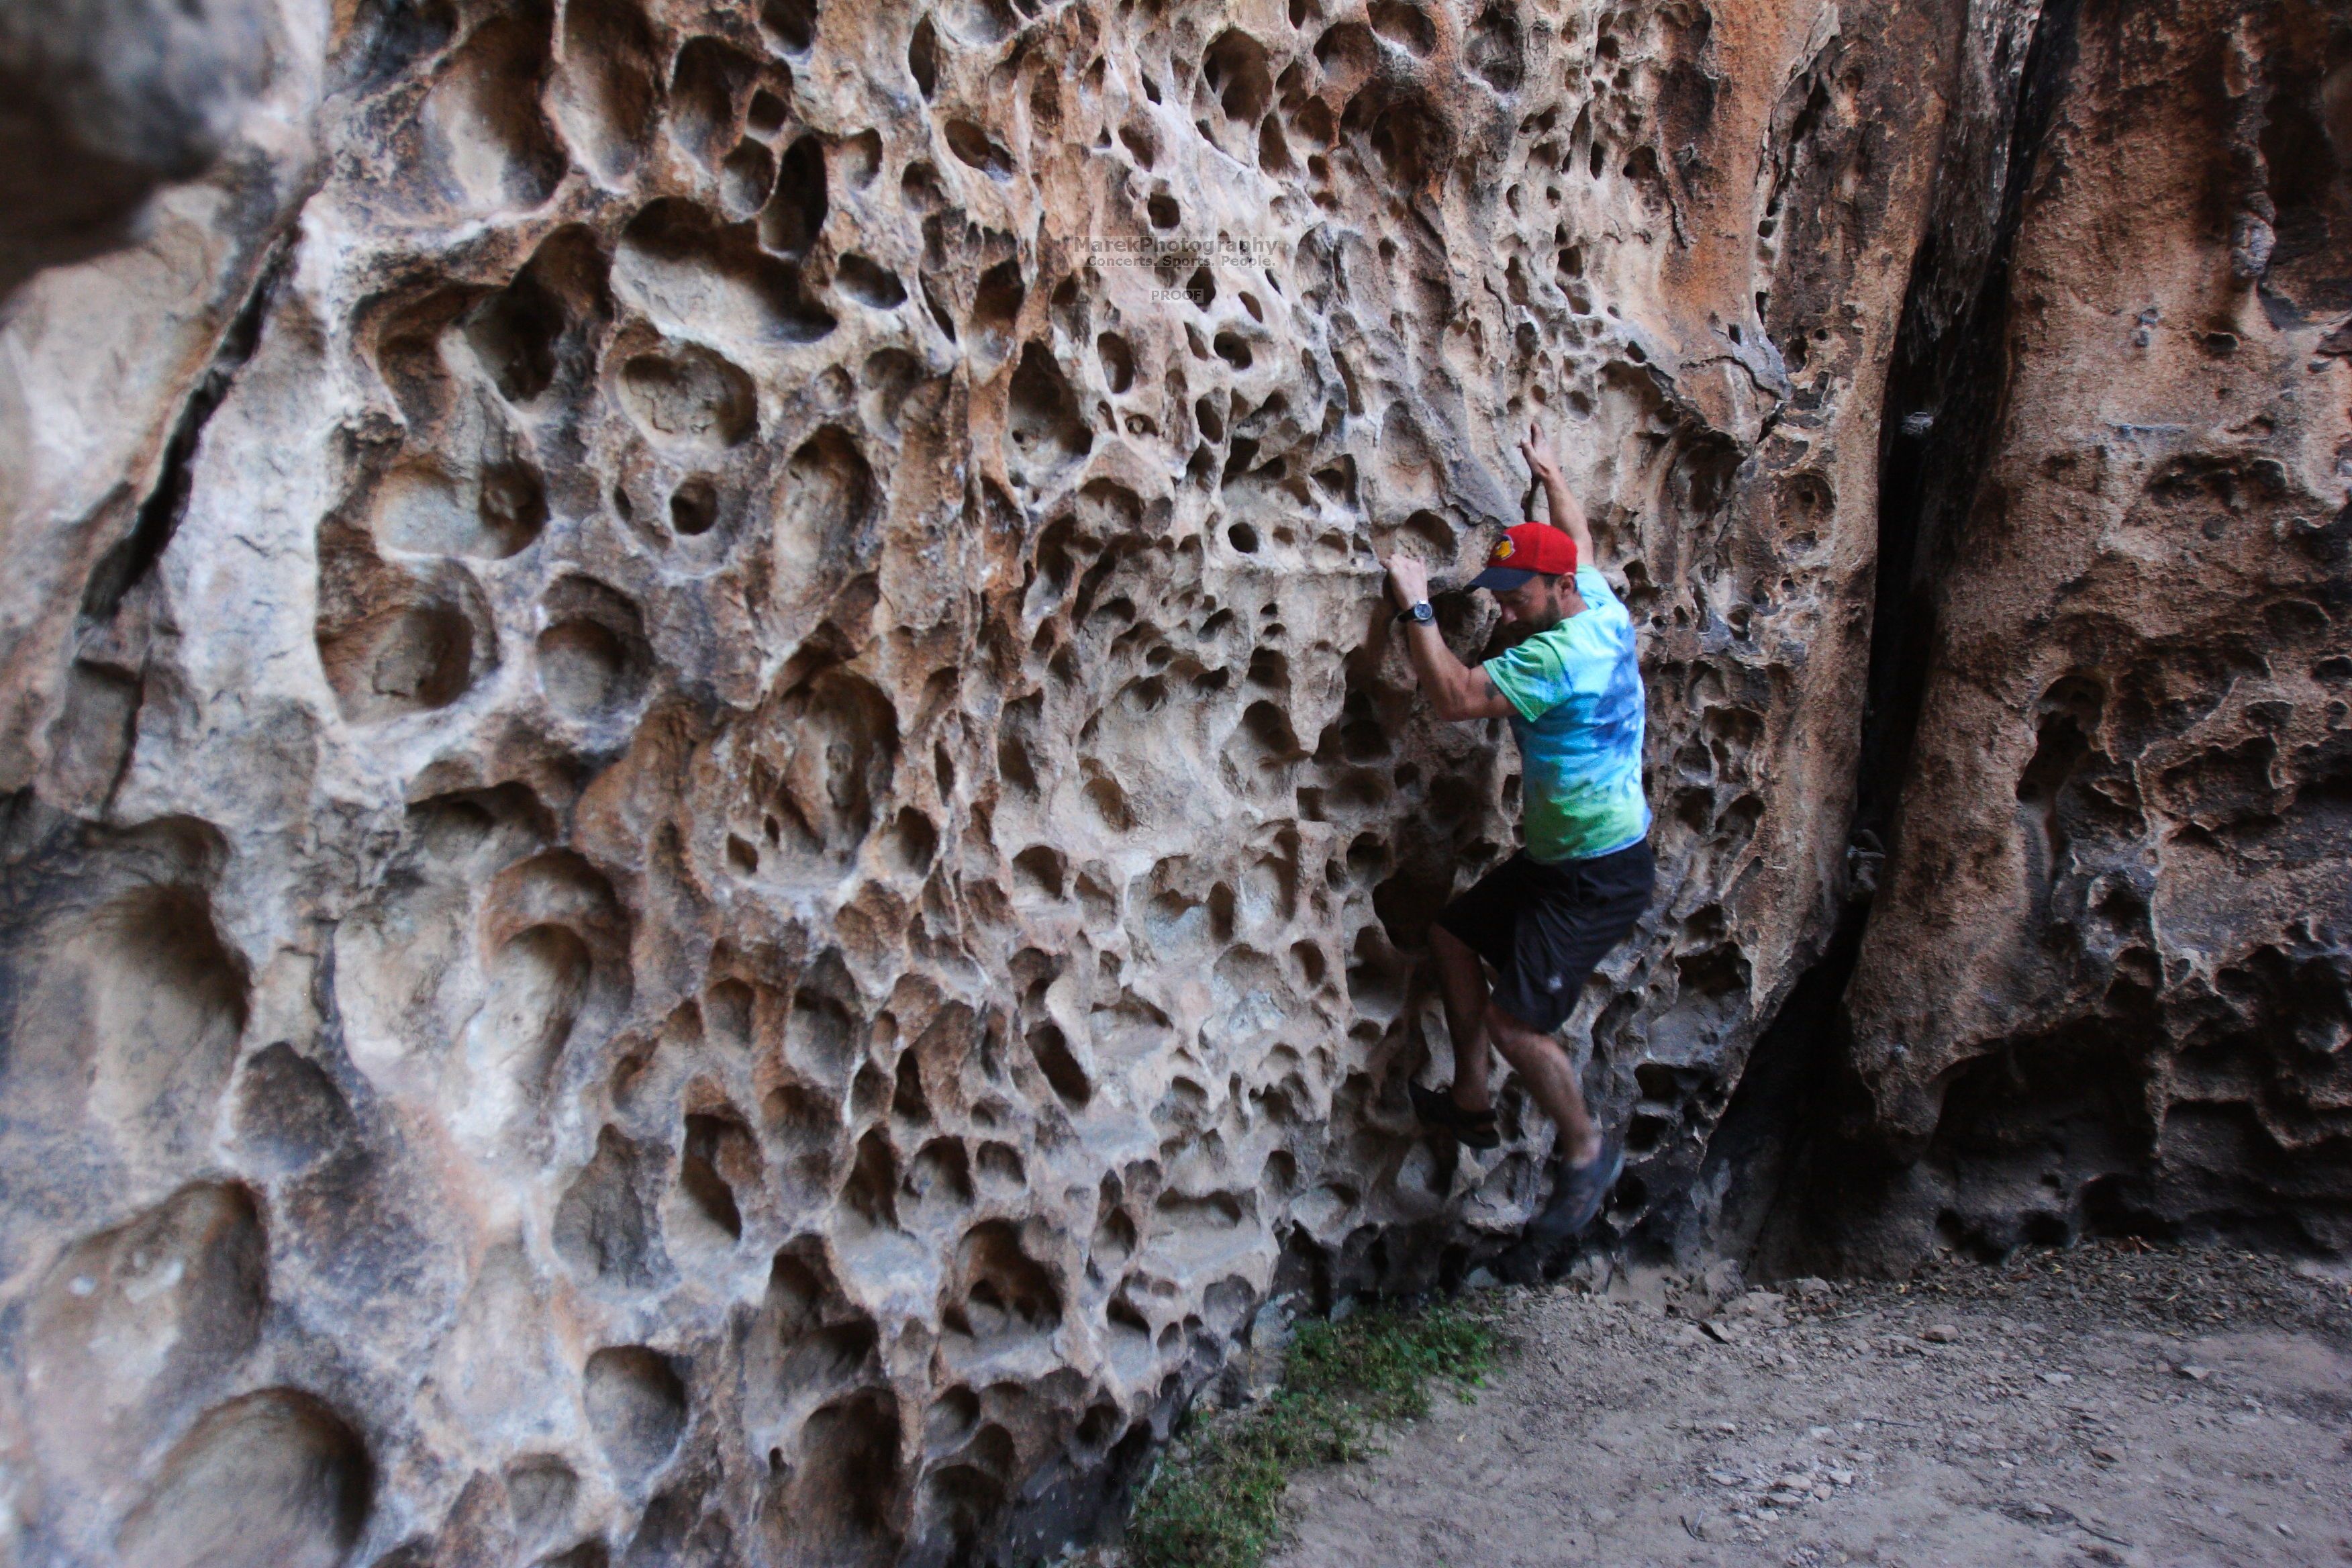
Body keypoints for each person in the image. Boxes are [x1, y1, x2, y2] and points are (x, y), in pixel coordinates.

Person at [1381, 422, 1655, 1248]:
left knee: (1516, 1025)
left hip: (1594, 876)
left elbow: (1457, 697)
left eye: (1516, 593)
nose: (1503, 605)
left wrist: (1415, 605)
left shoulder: (1557, 657)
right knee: (1454, 937)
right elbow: (1579, 539)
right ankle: (1470, 1099)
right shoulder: (1599, 603)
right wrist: (1552, 474)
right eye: (1498, 589)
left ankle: (1585, 1148)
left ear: (1557, 590)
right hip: (1559, 858)